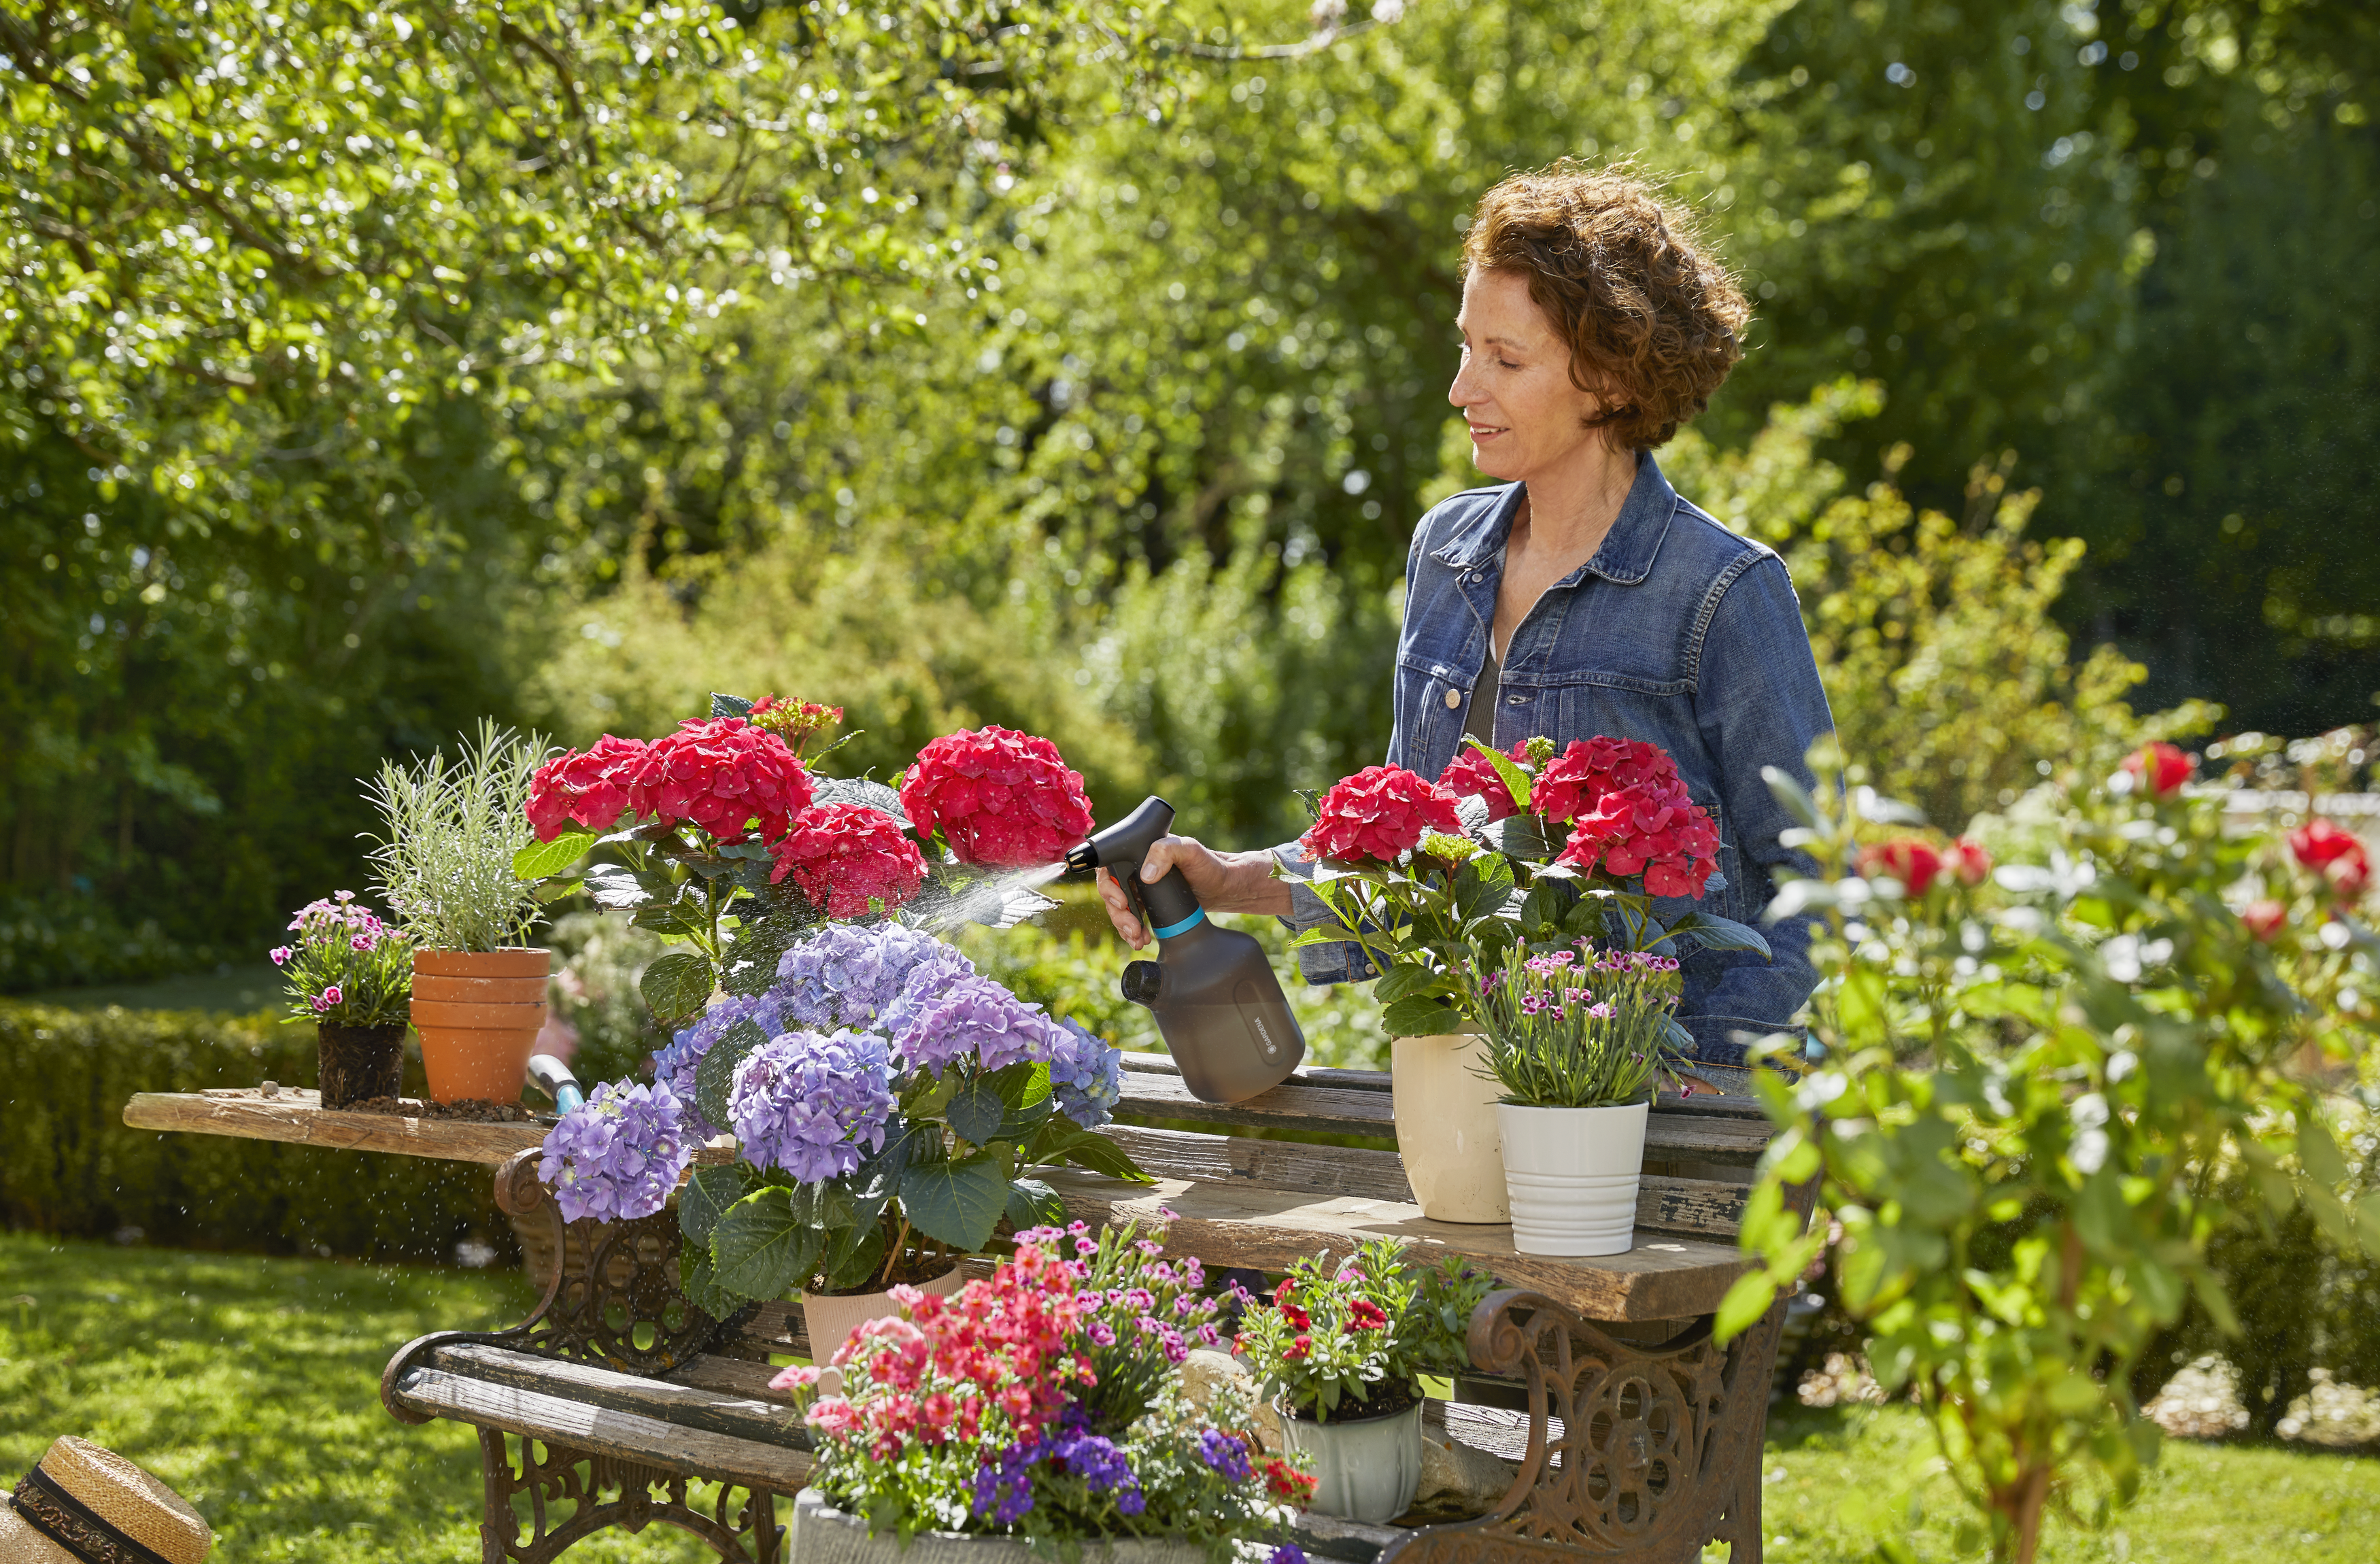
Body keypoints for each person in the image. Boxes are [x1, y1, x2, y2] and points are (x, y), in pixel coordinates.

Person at [1097, 161, 1832, 1071]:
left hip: (1659, 1106)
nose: (1461, 389)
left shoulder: (1721, 591)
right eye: (1465, 347)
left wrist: (1707, 1086)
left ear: (1608, 378)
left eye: (1505, 359)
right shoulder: (1447, 552)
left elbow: (1823, 889)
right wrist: (1234, 879)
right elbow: (1414, 857)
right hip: (1470, 1077)